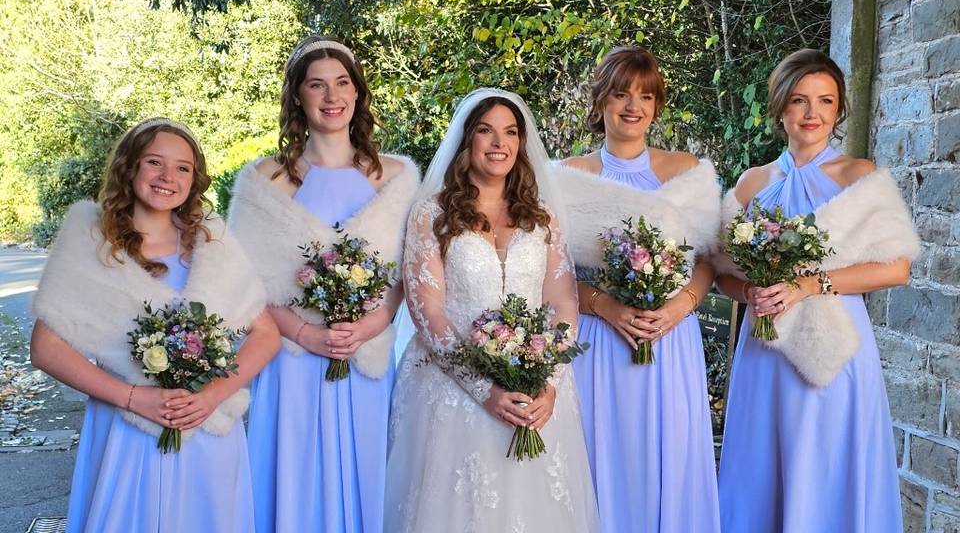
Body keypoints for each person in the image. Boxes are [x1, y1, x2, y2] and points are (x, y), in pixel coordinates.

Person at [30, 117, 279, 533]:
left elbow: (266, 334)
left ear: (194, 179)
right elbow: (45, 348)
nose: (168, 177)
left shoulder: (211, 243)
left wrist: (212, 396)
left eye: (183, 167)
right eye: (154, 163)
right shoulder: (92, 241)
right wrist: (133, 398)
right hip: (127, 427)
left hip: (207, 427)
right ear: (129, 168)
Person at [715, 49, 919, 532]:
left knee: (826, 464)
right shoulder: (752, 183)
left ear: (838, 109)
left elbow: (897, 268)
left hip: (834, 350)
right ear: (780, 108)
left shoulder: (859, 176)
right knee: (762, 464)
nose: (812, 114)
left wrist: (809, 284)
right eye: (800, 101)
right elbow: (719, 271)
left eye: (825, 101)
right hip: (764, 349)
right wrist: (749, 290)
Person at [384, 88, 599, 533]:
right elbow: (429, 314)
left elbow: (561, 300)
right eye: (485, 131)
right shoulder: (433, 215)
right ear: (467, 141)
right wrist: (485, 390)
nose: (498, 142)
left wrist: (550, 382)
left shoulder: (541, 217)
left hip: (536, 386)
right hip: (450, 387)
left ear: (521, 144)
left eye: (510, 132)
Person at [228, 36, 419, 533]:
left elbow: (409, 272)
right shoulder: (262, 182)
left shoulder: (397, 177)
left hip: (368, 354)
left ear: (357, 94)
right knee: (295, 472)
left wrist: (375, 323)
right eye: (317, 85)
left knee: (371, 469)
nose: (331, 97)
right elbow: (242, 283)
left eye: (342, 84)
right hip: (291, 358)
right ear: (298, 97)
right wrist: (306, 334)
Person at [555, 46, 721, 532]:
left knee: (670, 454)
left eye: (646, 96)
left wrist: (679, 307)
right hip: (600, 341)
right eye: (622, 93)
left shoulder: (685, 170)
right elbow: (551, 274)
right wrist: (607, 307)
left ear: (657, 105)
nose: (633, 106)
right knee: (601, 453)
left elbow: (708, 258)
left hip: (670, 340)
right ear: (601, 100)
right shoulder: (569, 176)